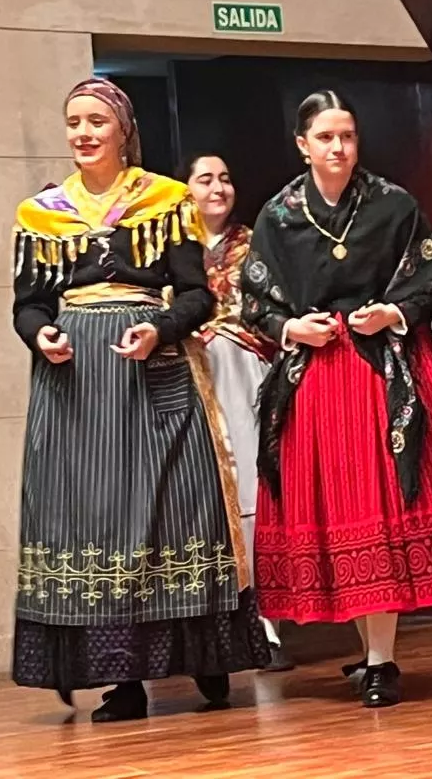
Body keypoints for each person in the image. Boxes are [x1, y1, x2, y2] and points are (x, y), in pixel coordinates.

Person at [9, 78, 269, 722]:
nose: (84, 133)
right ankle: (120, 680)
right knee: (93, 521)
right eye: (74, 122)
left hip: (152, 370)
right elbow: (29, 303)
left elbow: (197, 295)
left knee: (178, 512)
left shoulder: (166, 200)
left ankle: (207, 655)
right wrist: (40, 334)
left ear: (124, 130)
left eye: (97, 121)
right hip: (76, 382)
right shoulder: (41, 214)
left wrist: (159, 329)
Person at [241, 90, 432, 708]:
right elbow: (253, 300)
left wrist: (394, 312)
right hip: (317, 377)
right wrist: (291, 328)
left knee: (378, 510)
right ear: (303, 146)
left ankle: (383, 661)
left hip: (379, 370)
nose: (338, 147)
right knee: (343, 514)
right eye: (325, 137)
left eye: (348, 136)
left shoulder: (393, 203)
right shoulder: (278, 215)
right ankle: (371, 652)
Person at [184, 152, 294, 672]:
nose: (217, 188)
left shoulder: (255, 245)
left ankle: (264, 622)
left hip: (244, 370)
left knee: (252, 488)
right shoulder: (170, 247)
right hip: (189, 376)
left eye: (225, 178)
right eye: (205, 179)